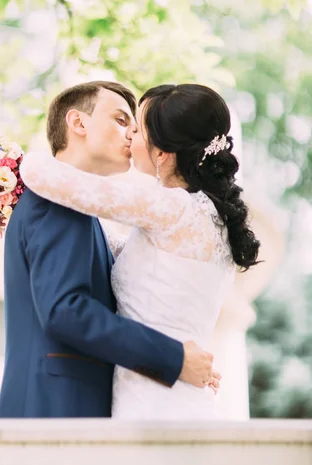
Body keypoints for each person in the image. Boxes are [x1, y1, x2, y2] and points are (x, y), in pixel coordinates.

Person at [0, 81, 219, 465]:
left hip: (81, 421)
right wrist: (174, 357)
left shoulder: (86, 211)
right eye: (120, 120)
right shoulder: (56, 199)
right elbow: (66, 311)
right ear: (77, 122)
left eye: (136, 126)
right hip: (53, 416)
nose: (132, 134)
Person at [20, 82, 260, 422]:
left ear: (162, 154)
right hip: (177, 387)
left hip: (153, 398)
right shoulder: (206, 216)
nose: (130, 135)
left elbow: (44, 175)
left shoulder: (170, 207)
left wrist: (3, 168)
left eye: (138, 128)